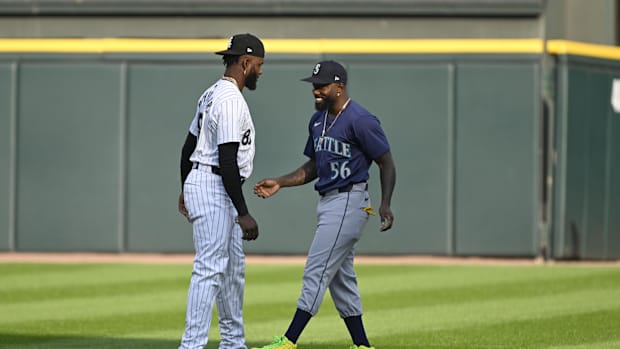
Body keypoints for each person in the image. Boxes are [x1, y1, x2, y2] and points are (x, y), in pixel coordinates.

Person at [253, 60, 396, 349]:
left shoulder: (361, 119)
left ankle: (289, 341)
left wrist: (385, 204)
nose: (316, 90)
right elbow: (314, 166)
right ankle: (363, 345)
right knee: (341, 280)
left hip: (352, 200)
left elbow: (386, 163)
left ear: (340, 87)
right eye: (314, 85)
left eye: (322, 85)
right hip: (330, 202)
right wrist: (281, 181)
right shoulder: (318, 121)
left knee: (316, 270)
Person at [177, 33, 265, 349]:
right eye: (258, 64)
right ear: (244, 63)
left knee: (231, 271)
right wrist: (244, 213)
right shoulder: (229, 100)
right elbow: (227, 160)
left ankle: (233, 344)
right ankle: (191, 346)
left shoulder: (211, 93)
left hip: (208, 182)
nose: (260, 71)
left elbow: (188, 145)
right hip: (215, 184)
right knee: (210, 269)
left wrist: (185, 187)